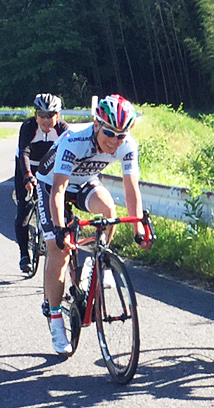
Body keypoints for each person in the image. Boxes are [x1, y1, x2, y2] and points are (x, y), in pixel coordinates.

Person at [36, 94, 152, 354]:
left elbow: (131, 190)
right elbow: (58, 190)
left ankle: (97, 259)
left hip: (85, 181)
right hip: (52, 185)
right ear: (97, 124)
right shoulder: (73, 140)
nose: (114, 141)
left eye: (121, 135)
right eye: (109, 133)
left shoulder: (127, 145)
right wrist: (59, 228)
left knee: (109, 210)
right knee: (60, 250)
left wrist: (138, 229)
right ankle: (55, 320)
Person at [14, 93, 69, 273]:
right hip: (27, 166)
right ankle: (24, 254)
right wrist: (28, 176)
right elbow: (24, 153)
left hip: (51, 169)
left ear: (58, 116)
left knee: (61, 205)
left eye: (50, 115)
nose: (46, 120)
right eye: (42, 115)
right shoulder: (29, 127)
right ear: (36, 115)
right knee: (25, 208)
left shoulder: (63, 129)